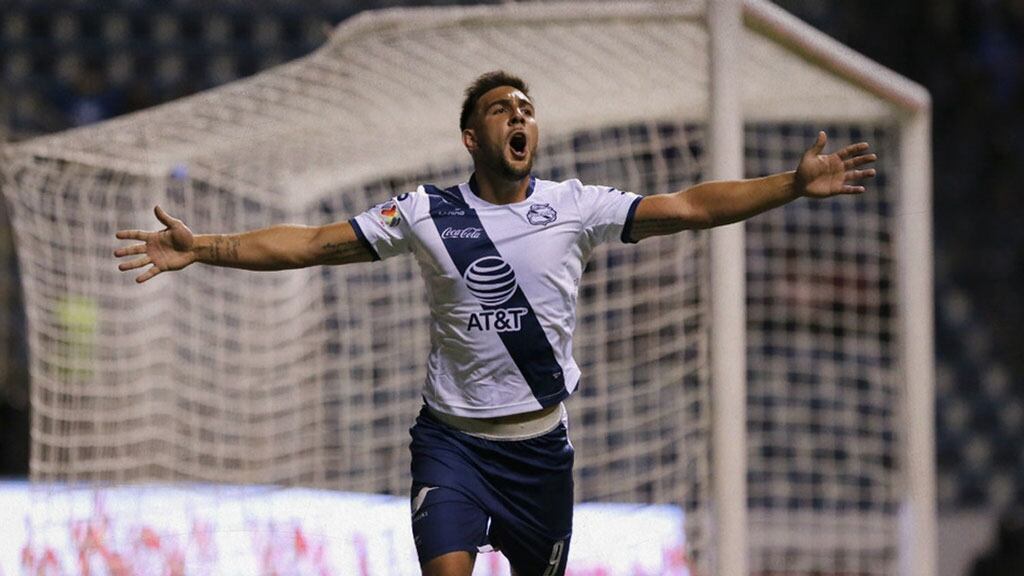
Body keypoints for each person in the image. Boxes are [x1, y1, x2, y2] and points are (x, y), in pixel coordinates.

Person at [114, 70, 877, 576]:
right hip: (452, 446)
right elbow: (310, 245)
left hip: (540, 454)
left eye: (527, 109)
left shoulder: (577, 206)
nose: (520, 116)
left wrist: (790, 184)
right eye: (500, 109)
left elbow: (689, 207)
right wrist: (205, 248)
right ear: (473, 139)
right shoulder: (425, 213)